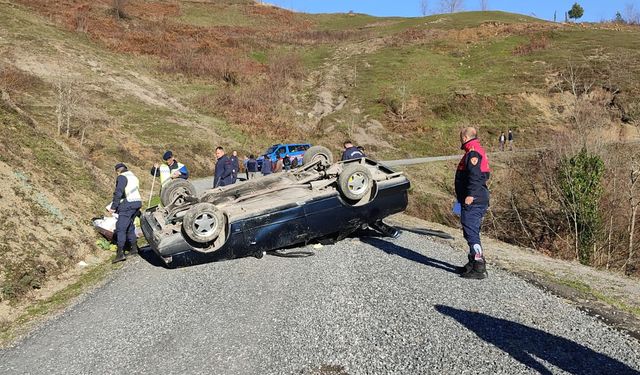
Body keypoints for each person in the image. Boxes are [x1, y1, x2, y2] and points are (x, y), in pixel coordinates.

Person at [455, 127, 491, 279]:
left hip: (473, 200)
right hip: (473, 199)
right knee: (469, 230)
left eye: (460, 137)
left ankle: (479, 266)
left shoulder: (473, 152)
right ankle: (472, 261)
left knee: (471, 232)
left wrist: (470, 195)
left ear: (464, 137)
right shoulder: (475, 150)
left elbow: (476, 176)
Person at [109, 163, 142, 263]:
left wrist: (113, 207)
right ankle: (134, 248)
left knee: (120, 228)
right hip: (137, 202)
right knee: (129, 226)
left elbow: (119, 192)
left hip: (128, 204)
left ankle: (120, 254)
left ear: (118, 171)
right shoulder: (133, 176)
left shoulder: (122, 177)